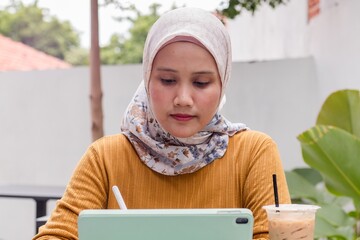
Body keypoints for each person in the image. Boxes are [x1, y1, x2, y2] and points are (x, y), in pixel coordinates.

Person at [33, 7, 290, 240]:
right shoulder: (105, 159)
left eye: (201, 83)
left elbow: (274, 235)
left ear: (223, 82)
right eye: (167, 80)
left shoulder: (253, 153)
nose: (183, 99)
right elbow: (56, 235)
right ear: (147, 80)